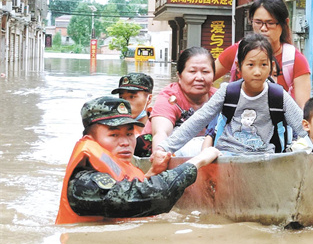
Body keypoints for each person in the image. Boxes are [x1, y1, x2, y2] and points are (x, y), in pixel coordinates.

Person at [56, 96, 220, 225]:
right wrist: (196, 162)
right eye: (113, 135)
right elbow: (150, 197)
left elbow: (128, 190)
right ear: (90, 138)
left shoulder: (114, 168)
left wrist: (152, 173)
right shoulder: (83, 182)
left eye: (129, 134)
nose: (125, 142)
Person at [154, 34, 305, 157]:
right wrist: (165, 148)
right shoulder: (227, 92)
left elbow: (304, 128)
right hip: (226, 156)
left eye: (263, 65)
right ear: (239, 67)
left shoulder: (279, 95)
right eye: (251, 65)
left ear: (271, 66)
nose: (257, 72)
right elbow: (197, 121)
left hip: (264, 159)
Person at [214, 0, 311, 108]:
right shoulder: (237, 51)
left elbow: (303, 109)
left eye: (270, 23)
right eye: (258, 22)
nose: (263, 29)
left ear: (285, 23)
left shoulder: (295, 60)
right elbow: (203, 79)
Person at [136, 47, 217, 158]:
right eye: (192, 71)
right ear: (179, 75)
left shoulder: (220, 97)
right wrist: (160, 158)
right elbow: (161, 133)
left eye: (205, 72)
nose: (199, 77)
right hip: (164, 152)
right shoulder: (169, 97)